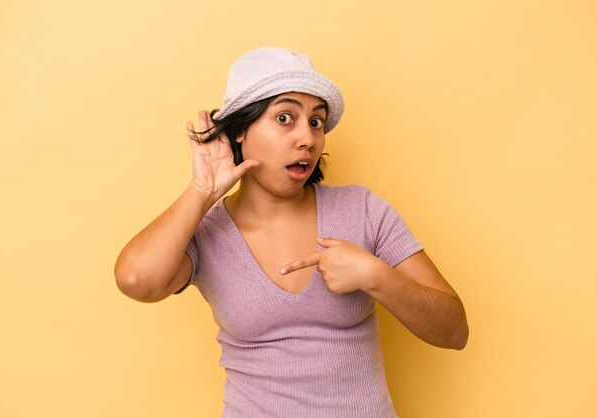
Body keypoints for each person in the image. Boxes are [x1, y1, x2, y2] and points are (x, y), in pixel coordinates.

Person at [114, 47, 469, 418]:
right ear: (238, 130)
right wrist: (201, 191)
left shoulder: (363, 210)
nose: (308, 139)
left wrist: (376, 276)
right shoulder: (206, 232)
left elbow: (454, 332)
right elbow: (137, 280)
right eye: (285, 118)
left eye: (316, 122)